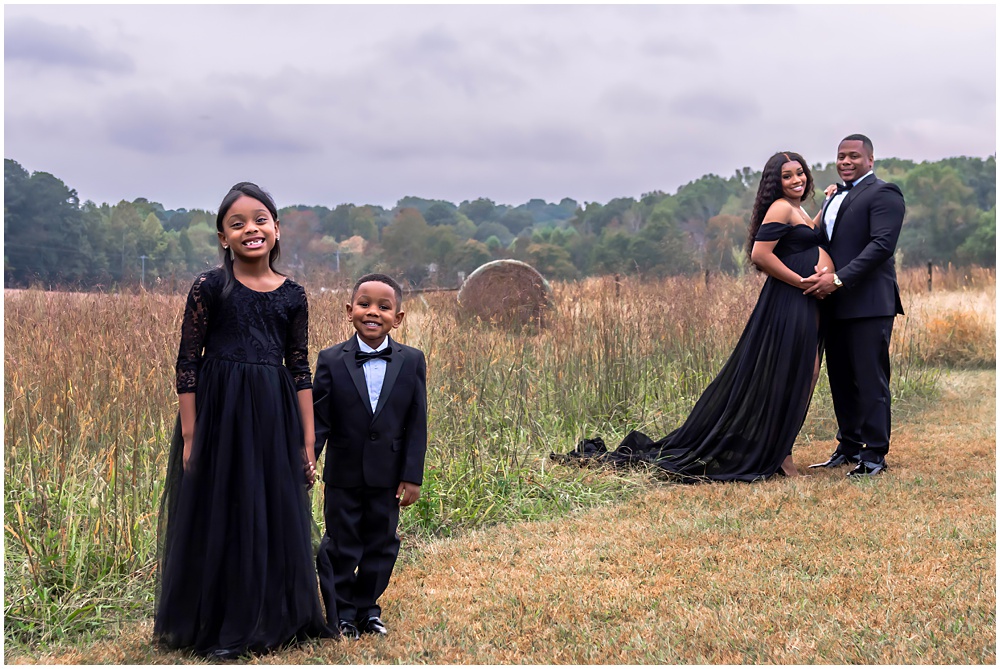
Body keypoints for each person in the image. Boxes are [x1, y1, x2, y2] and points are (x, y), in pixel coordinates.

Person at [552, 152, 832, 481]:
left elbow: (807, 234)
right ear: (776, 182)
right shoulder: (781, 207)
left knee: (805, 373)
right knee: (791, 376)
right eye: (787, 176)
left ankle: (779, 448)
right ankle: (780, 456)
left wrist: (825, 206)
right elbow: (760, 254)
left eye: (800, 173)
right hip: (789, 299)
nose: (797, 179)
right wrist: (800, 281)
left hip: (804, 300)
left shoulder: (795, 208)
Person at [154, 182, 335, 658]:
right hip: (218, 411)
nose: (250, 229)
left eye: (260, 220)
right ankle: (216, 621)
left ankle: (270, 617)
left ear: (276, 229)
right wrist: (191, 435)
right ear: (222, 237)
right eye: (237, 223)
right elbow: (187, 363)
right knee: (222, 510)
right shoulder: (210, 287)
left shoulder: (293, 294)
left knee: (268, 510)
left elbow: (300, 369)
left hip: (273, 413)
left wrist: (307, 439)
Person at [313, 273, 427, 638]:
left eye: (383, 306)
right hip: (343, 474)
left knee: (382, 545)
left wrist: (412, 475)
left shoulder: (411, 361)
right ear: (349, 311)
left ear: (399, 317)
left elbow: (416, 423)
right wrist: (308, 460)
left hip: (389, 475)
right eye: (364, 304)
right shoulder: (330, 359)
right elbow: (319, 421)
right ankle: (342, 613)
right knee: (341, 544)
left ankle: (367, 609)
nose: (372, 312)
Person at [803, 134, 905, 477]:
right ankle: (849, 446)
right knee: (842, 379)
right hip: (833, 302)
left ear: (870, 160)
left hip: (869, 302)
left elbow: (881, 246)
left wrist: (838, 278)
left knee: (870, 378)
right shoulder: (833, 196)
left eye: (853, 157)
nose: (846, 162)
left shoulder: (884, 193)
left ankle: (875, 454)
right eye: (841, 156)